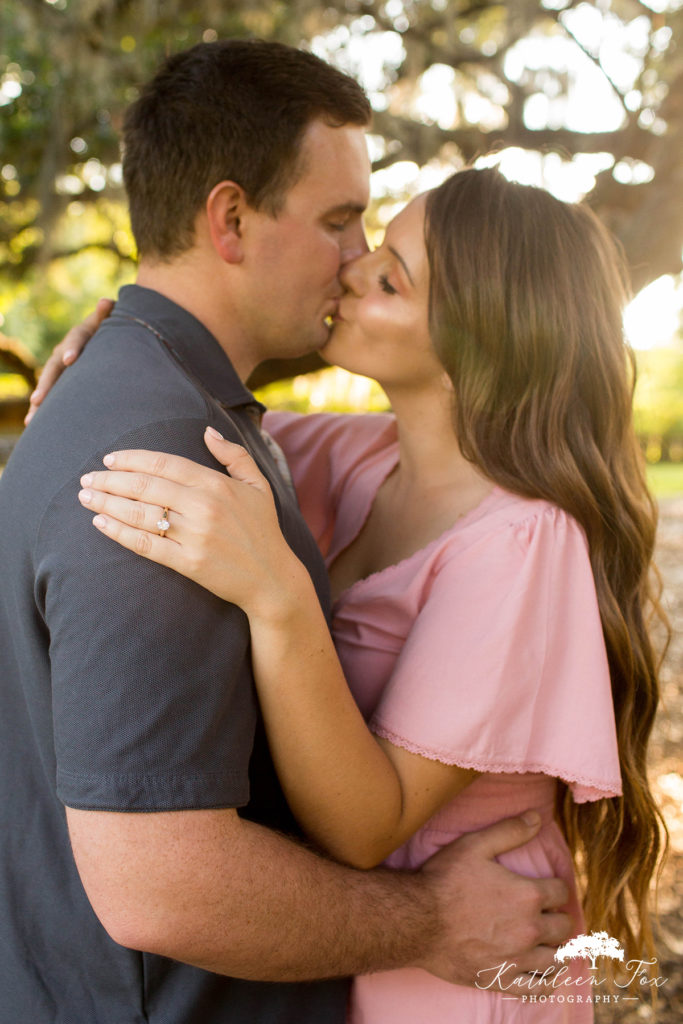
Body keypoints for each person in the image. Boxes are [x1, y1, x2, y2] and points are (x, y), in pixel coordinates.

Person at [0, 41, 570, 1024]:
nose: (354, 261)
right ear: (229, 219)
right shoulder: (168, 461)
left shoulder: (214, 423)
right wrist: (427, 919)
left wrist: (114, 343)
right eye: (340, 221)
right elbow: (161, 884)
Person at [66, 168, 666, 1022]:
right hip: (366, 932)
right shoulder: (352, 456)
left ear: (477, 340)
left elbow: (365, 824)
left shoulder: (522, 542)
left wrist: (279, 600)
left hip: (475, 951)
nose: (349, 267)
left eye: (391, 276)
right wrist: (110, 353)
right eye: (372, 244)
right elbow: (186, 409)